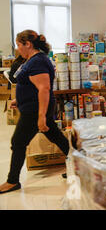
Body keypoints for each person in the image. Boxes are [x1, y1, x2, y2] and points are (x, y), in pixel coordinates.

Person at [0, 30, 69, 194]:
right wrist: (20, 99)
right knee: (57, 137)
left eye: (18, 45)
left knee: (18, 142)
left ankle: (12, 181)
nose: (18, 49)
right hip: (32, 106)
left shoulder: (37, 61)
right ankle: (80, 166)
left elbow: (44, 89)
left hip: (35, 110)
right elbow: (32, 86)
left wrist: (41, 117)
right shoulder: (32, 60)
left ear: (27, 44)